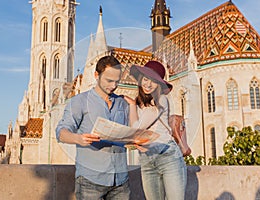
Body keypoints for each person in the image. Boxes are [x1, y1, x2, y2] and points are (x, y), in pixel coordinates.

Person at [56, 55, 130, 200]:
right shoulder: (79, 101)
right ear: (96, 75)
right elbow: (61, 132)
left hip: (120, 180)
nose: (113, 86)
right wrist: (78, 138)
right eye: (109, 80)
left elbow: (130, 131)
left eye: (117, 81)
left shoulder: (122, 103)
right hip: (91, 181)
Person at [124, 60, 187, 200]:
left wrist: (132, 105)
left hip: (168, 157)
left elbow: (137, 127)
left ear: (159, 84)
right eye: (146, 79)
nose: (148, 84)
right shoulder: (140, 103)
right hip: (147, 160)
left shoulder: (161, 100)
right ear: (141, 79)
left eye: (153, 81)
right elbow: (134, 133)